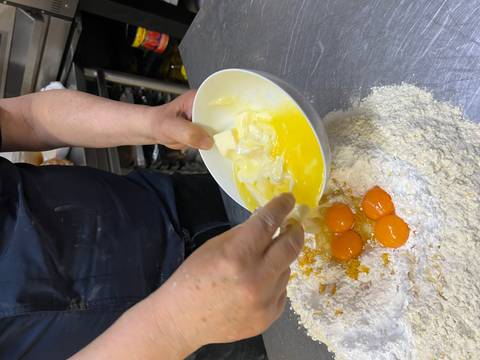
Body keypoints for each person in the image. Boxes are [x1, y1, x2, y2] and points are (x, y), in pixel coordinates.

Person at [0, 89, 304, 359]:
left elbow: (24, 118)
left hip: (171, 207)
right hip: (189, 344)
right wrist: (174, 327)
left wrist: (150, 122)